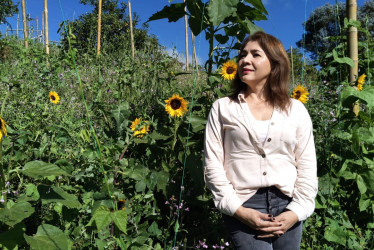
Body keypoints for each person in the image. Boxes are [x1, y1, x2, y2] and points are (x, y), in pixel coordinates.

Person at [203, 31, 318, 249]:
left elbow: (307, 165)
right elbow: (212, 166)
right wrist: (239, 211)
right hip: (245, 204)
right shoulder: (223, 108)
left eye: (256, 54)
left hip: (288, 202)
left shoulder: (296, 110)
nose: (245, 60)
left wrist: (296, 211)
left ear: (275, 64)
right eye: (243, 55)